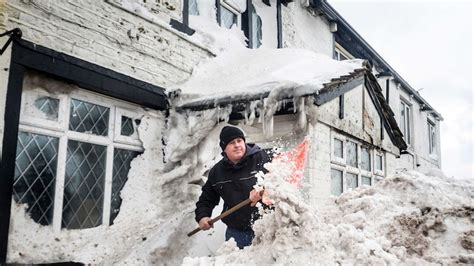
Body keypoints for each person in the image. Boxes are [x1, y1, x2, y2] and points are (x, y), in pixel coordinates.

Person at [194, 126, 271, 249]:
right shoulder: (217, 172)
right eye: (231, 143)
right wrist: (202, 216)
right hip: (238, 232)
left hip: (268, 227)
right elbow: (206, 199)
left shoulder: (262, 157)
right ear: (224, 148)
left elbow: (281, 177)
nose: (237, 145)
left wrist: (263, 189)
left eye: (239, 141)